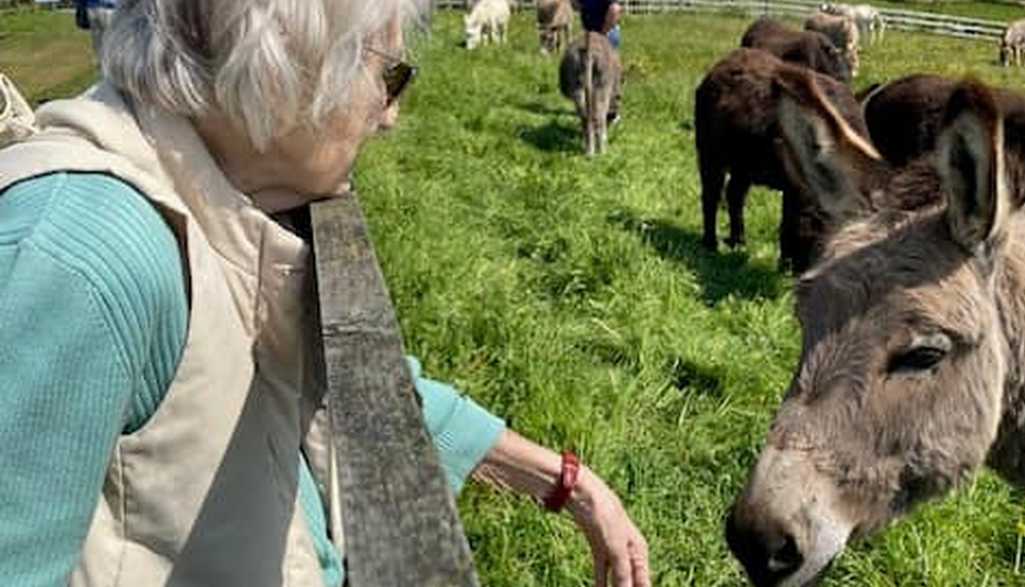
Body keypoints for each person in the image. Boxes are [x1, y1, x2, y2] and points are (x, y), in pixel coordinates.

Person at [0, 1, 650, 587]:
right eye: (388, 76)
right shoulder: (84, 253)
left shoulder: (231, 190)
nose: (391, 115)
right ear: (282, 60)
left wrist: (572, 484)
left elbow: (351, 386)